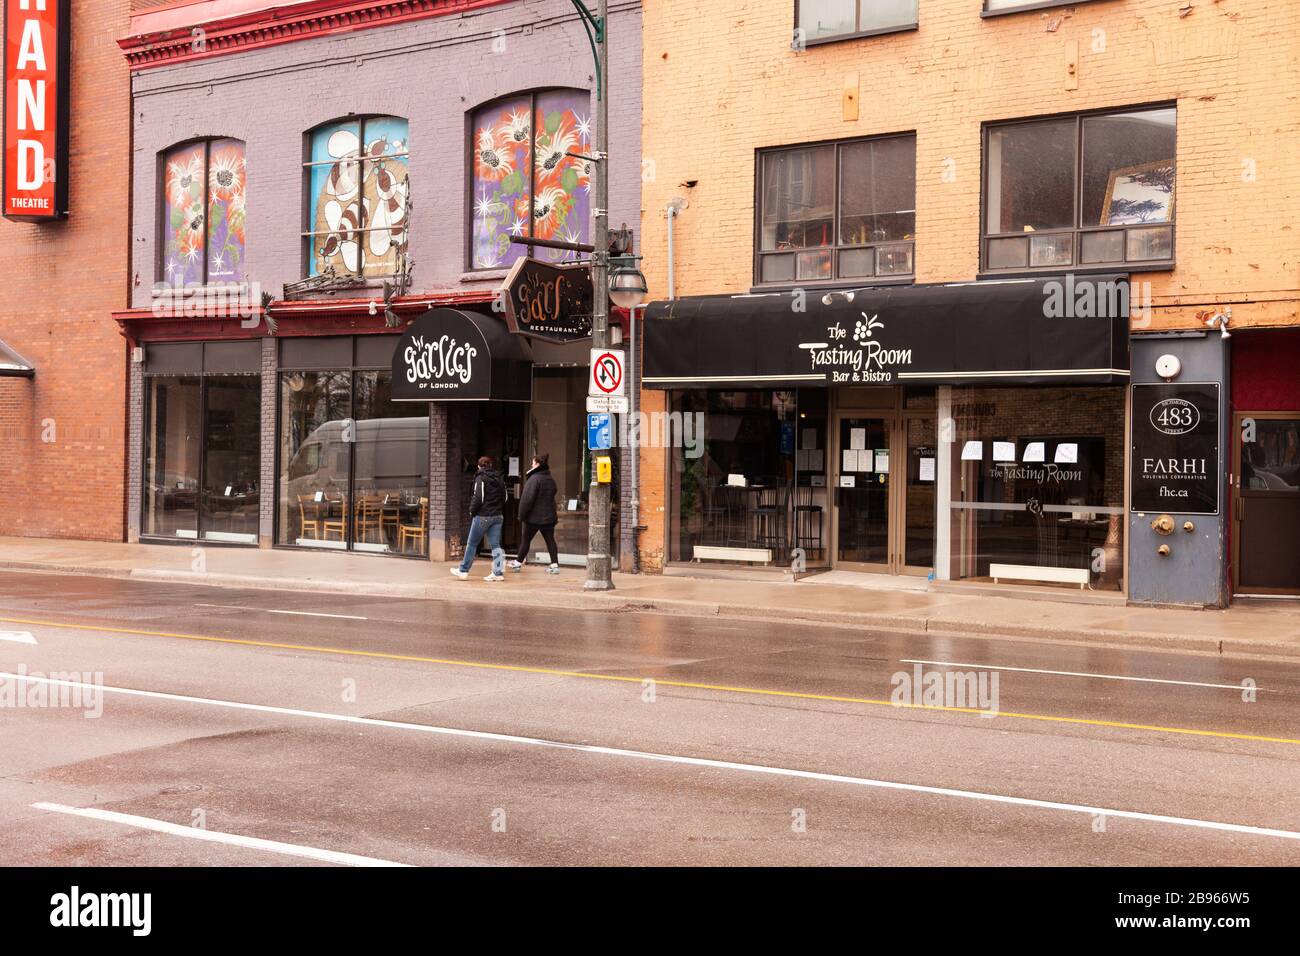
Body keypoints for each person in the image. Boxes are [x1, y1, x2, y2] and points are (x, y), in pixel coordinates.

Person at [450, 455, 507, 582]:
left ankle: (463, 571)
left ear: (479, 466)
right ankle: (498, 573)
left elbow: (478, 497)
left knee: (472, 543)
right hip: (497, 516)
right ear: (490, 465)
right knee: (496, 545)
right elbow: (505, 497)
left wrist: (472, 511)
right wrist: (497, 508)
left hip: (483, 516)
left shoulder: (480, 477)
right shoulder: (499, 477)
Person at [508, 453, 561, 575]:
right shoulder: (550, 479)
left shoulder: (534, 479)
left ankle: (517, 563)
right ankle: (554, 565)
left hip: (534, 518)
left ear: (537, 464)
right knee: (550, 540)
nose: (531, 465)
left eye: (532, 463)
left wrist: (521, 515)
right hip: (549, 517)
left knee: (526, 539)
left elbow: (527, 500)